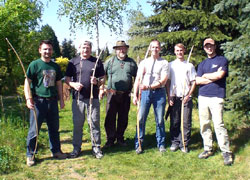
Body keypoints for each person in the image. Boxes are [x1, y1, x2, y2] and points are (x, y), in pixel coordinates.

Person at [24, 40, 67, 167]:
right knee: (34, 130)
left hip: (52, 101)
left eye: (49, 49)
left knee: (54, 129)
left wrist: (62, 100)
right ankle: (30, 154)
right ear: (40, 50)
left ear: (52, 50)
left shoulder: (55, 66)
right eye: (45, 49)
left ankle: (56, 151)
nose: (47, 51)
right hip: (38, 102)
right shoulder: (34, 65)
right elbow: (27, 82)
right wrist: (28, 98)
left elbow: (59, 84)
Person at [196, 38, 233, 165]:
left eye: (211, 45)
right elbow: (197, 81)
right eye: (207, 46)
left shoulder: (222, 60)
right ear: (204, 48)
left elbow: (220, 75)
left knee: (219, 125)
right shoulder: (202, 64)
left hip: (216, 97)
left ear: (214, 46)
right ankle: (208, 148)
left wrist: (206, 76)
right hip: (203, 97)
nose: (209, 47)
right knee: (204, 124)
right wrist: (211, 77)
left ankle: (226, 152)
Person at [65, 40, 105, 159]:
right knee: (77, 124)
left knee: (94, 123)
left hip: (93, 98)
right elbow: (66, 79)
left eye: (88, 47)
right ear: (79, 48)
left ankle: (96, 147)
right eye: (83, 47)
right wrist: (73, 85)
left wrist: (97, 81)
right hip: (78, 99)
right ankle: (76, 148)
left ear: (90, 48)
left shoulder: (96, 61)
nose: (85, 50)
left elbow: (103, 78)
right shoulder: (73, 62)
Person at [99, 40, 138, 147]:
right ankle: (110, 139)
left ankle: (120, 138)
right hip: (112, 93)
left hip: (126, 94)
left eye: (124, 48)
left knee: (123, 117)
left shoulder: (131, 63)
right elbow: (103, 76)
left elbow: (137, 77)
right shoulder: (110, 62)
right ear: (116, 50)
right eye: (119, 48)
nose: (122, 50)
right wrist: (102, 89)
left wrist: (135, 92)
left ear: (126, 49)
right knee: (110, 117)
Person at [133, 40, 168, 154]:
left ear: (160, 49)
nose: (155, 49)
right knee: (141, 118)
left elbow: (163, 80)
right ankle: (139, 143)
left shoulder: (164, 63)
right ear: (150, 48)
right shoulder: (144, 62)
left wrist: (149, 86)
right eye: (152, 47)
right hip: (145, 93)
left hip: (159, 92)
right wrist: (135, 94)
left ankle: (161, 143)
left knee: (159, 119)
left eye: (157, 47)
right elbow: (138, 80)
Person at [166, 43, 196, 153]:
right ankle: (175, 142)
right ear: (175, 52)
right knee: (174, 120)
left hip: (186, 97)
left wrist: (188, 96)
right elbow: (168, 82)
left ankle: (184, 143)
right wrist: (169, 96)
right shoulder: (170, 65)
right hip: (174, 96)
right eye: (177, 50)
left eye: (181, 50)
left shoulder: (189, 65)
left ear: (184, 51)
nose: (179, 52)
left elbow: (193, 82)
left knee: (186, 122)